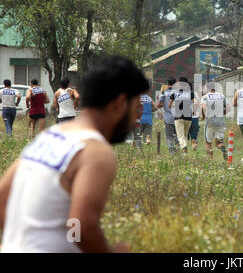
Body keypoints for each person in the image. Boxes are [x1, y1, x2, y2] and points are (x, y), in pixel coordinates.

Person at [0, 55, 148, 252]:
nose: (135, 117)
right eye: (136, 107)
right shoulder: (95, 151)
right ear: (121, 103)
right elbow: (80, 225)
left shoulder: (47, 137)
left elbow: (2, 200)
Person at [201, 82, 228, 160]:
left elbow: (204, 108)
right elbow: (228, 108)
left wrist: (204, 116)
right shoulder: (222, 96)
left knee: (208, 142)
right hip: (220, 122)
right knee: (219, 142)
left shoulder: (205, 97)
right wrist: (222, 113)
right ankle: (222, 147)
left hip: (209, 122)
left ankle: (210, 160)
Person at [169, 77, 194, 154]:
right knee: (185, 135)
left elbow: (169, 105)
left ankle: (184, 148)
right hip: (188, 117)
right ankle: (184, 154)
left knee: (180, 136)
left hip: (178, 117)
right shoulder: (191, 93)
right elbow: (195, 103)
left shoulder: (175, 93)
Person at [157, 78, 178, 154]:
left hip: (168, 118)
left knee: (169, 136)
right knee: (177, 135)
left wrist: (156, 107)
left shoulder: (164, 93)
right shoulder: (179, 92)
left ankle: (172, 153)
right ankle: (178, 150)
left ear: (168, 84)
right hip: (178, 118)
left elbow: (159, 104)